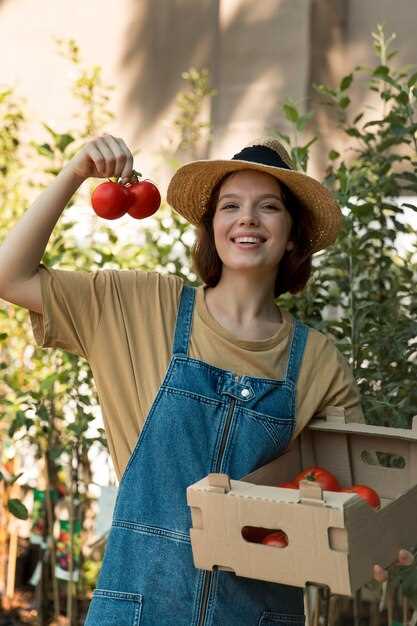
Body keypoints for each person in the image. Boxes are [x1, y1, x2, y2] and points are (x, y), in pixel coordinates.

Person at [0, 134, 413, 625]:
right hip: (135, 608)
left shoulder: (318, 361)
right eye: (230, 205)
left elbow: (347, 495)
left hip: (258, 614)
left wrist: (374, 540)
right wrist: (73, 173)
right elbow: (10, 276)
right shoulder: (142, 305)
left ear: (294, 236)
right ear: (211, 227)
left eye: (269, 207)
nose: (247, 218)